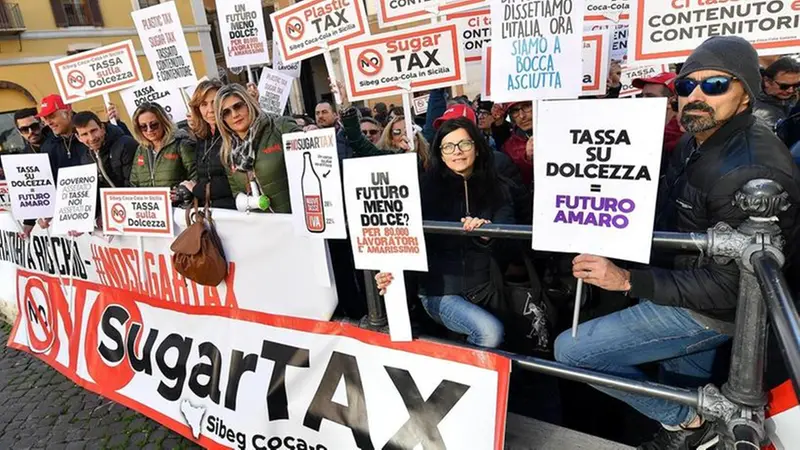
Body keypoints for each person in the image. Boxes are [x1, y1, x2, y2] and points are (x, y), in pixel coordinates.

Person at [554, 36, 800, 450]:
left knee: (573, 351)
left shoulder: (750, 168)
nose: (696, 96)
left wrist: (627, 280)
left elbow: (736, 286)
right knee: (680, 384)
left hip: (710, 309)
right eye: (686, 86)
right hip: (679, 285)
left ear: (745, 95)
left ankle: (689, 420)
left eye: (715, 85)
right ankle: (687, 429)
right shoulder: (695, 141)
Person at [375, 118, 514, 348]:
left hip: (488, 289)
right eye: (448, 146)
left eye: (464, 144)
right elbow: (401, 236)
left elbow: (512, 242)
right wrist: (390, 272)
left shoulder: (499, 188)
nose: (456, 152)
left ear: (477, 148)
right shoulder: (423, 189)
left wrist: (488, 235)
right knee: (489, 333)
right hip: (439, 293)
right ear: (440, 152)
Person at [215, 83, 299, 213]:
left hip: (296, 220)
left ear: (248, 104)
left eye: (238, 106)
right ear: (222, 120)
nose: (234, 115)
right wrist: (249, 202)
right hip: (262, 228)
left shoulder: (280, 127)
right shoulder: (228, 153)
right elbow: (236, 193)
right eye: (226, 112)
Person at [186, 79, 235, 209]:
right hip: (209, 211)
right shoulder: (202, 137)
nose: (210, 110)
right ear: (197, 109)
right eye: (203, 104)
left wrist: (196, 189)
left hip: (233, 213)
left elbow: (235, 182)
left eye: (214, 103)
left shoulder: (234, 134)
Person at [129, 102, 196, 190]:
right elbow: (134, 184)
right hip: (151, 203)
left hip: (178, 203)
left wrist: (183, 192)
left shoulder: (181, 145)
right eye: (143, 126)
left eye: (154, 125)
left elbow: (196, 178)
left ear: (164, 122)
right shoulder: (141, 150)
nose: (149, 130)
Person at [73, 111, 137, 189]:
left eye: (93, 131)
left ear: (102, 128)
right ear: (78, 138)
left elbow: (135, 182)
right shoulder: (86, 159)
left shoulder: (126, 145)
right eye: (84, 134)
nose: (91, 138)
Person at [37, 94, 89, 180]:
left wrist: (117, 123)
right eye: (45, 118)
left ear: (68, 113)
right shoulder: (47, 146)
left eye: (52, 117)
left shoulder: (90, 133)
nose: (49, 122)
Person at [631, 72, 683, 156]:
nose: (642, 100)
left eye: (650, 96)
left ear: (671, 101)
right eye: (642, 96)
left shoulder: (679, 138)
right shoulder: (639, 128)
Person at [753, 56, 800, 129]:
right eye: (784, 86)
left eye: (796, 85)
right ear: (767, 82)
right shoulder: (761, 114)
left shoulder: (793, 100)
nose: (791, 90)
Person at [501, 102, 534, 186]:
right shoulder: (508, 147)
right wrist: (528, 158)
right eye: (515, 111)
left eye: (526, 106)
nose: (522, 116)